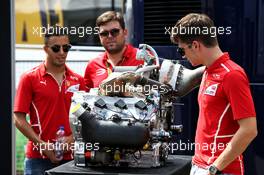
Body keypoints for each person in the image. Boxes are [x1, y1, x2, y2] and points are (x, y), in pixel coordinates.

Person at [170, 13, 257, 175]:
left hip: (220, 169)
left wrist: (215, 168)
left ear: (195, 45)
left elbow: (249, 130)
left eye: (182, 50)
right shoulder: (207, 71)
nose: (183, 55)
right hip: (200, 164)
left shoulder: (232, 75)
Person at [13, 26, 86, 175]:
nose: (62, 53)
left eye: (66, 48)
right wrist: (41, 144)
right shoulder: (29, 78)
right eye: (56, 48)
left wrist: (72, 138)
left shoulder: (78, 80)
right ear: (45, 49)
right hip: (37, 158)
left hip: (71, 157)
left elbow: (87, 118)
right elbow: (18, 118)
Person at [84, 11, 144, 90]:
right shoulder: (93, 64)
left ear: (125, 33)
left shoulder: (143, 58)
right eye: (104, 33)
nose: (109, 36)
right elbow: (86, 98)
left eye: (114, 32)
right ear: (99, 36)